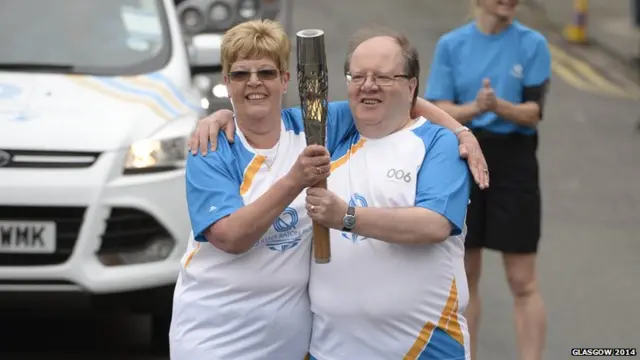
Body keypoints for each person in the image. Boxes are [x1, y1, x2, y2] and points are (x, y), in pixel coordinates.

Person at [170, 20, 484, 360]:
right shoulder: (213, 147)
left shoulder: (314, 127)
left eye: (267, 72)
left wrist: (461, 131)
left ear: (286, 80)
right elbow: (230, 237)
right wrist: (295, 179)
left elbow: (387, 98)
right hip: (215, 339)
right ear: (226, 83)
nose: (255, 83)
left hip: (290, 345)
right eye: (241, 75)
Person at [425, 0, 551, 359]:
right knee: (466, 276)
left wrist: (499, 107)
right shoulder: (452, 44)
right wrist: (476, 108)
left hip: (515, 160)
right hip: (465, 155)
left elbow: (533, 112)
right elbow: (439, 109)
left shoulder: (533, 44)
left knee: (522, 279)